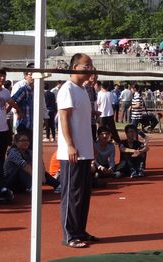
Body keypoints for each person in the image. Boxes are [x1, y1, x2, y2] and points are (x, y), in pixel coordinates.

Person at [57, 53, 97, 248]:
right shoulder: (67, 89)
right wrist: (70, 145)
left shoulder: (83, 90)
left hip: (85, 151)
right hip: (71, 152)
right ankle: (69, 235)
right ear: (75, 67)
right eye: (86, 65)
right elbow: (64, 118)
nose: (90, 68)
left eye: (90, 65)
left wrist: (90, 149)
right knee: (71, 194)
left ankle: (80, 230)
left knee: (83, 195)